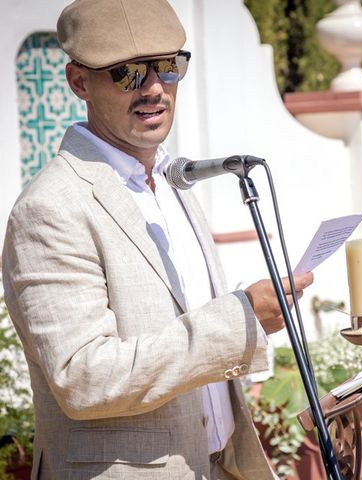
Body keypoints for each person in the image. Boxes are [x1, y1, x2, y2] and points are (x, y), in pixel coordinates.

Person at [1, 0, 314, 478]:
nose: (153, 89)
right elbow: (84, 377)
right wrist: (238, 322)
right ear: (79, 81)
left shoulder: (172, 181)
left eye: (168, 68)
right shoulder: (51, 208)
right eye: (126, 73)